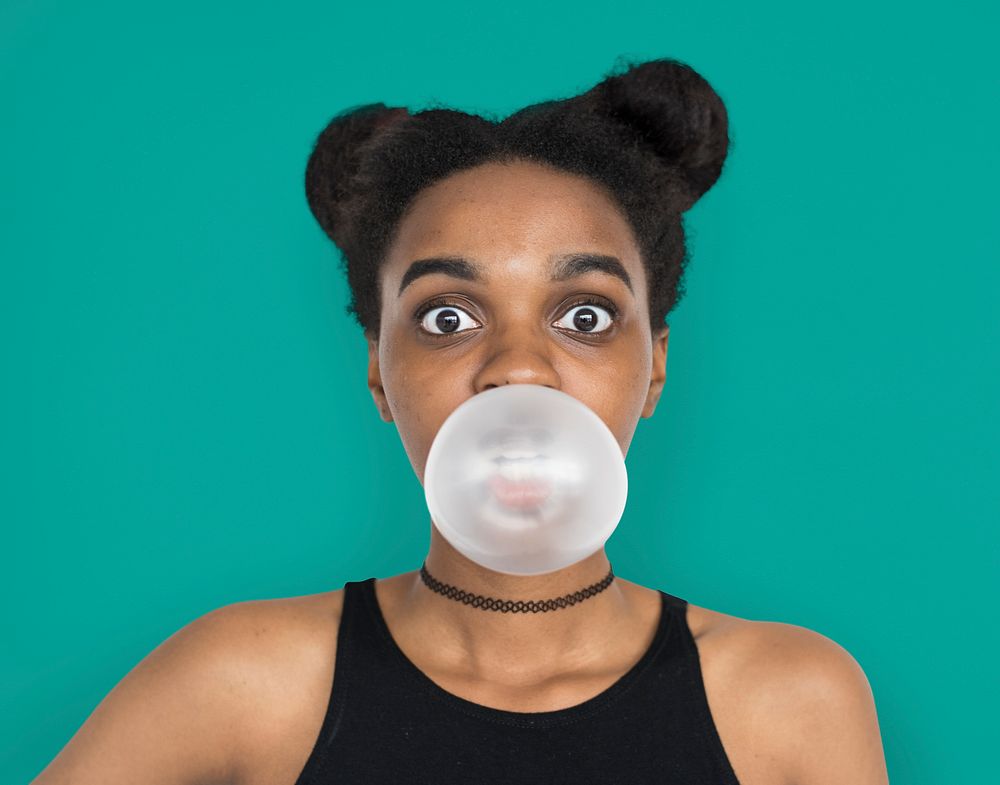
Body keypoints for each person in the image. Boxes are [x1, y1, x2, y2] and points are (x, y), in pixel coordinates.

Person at [32, 56, 889, 785]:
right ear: (378, 369)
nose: (518, 366)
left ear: (655, 364)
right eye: (449, 317)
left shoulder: (791, 699)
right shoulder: (243, 681)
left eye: (584, 315)